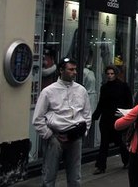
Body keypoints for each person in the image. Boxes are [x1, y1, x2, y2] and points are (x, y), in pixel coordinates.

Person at [33, 57, 92, 187]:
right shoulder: (48, 91)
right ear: (61, 70)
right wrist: (49, 135)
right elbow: (38, 118)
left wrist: (83, 131)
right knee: (49, 175)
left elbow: (87, 114)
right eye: (71, 69)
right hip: (55, 137)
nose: (75, 72)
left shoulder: (81, 90)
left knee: (75, 176)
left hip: (75, 137)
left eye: (75, 69)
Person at [92, 65, 133, 174]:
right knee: (104, 143)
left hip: (117, 117)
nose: (110, 76)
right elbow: (101, 103)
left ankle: (127, 160)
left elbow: (129, 102)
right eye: (108, 74)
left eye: (112, 74)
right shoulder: (104, 87)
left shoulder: (123, 86)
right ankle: (100, 166)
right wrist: (94, 116)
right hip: (106, 118)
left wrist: (126, 115)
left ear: (115, 74)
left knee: (119, 140)